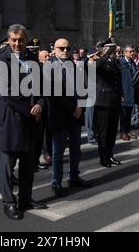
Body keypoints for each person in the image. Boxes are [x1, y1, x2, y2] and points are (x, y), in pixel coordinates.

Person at [0, 24, 47, 220]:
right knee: (7, 166)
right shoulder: (1, 60)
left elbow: (42, 87)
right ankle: (9, 203)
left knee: (28, 165)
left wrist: (40, 104)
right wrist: (30, 110)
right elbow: (6, 93)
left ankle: (25, 198)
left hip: (31, 121)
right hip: (11, 120)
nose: (17, 44)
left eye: (21, 40)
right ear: (8, 40)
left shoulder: (32, 59)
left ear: (26, 40)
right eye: (13, 40)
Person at [47, 38, 92, 197]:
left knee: (76, 149)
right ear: (54, 49)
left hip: (76, 114)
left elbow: (83, 87)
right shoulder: (48, 66)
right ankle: (56, 182)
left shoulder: (74, 65)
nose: (65, 51)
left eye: (68, 48)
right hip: (60, 115)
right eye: (62, 48)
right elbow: (53, 93)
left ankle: (74, 176)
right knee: (58, 152)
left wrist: (80, 106)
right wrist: (72, 108)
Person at [93, 40, 123, 167]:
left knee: (112, 131)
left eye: (115, 50)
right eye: (113, 50)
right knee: (104, 132)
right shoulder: (99, 61)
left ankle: (110, 155)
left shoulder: (115, 62)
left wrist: (122, 95)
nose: (116, 52)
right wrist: (104, 54)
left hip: (114, 101)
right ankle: (103, 158)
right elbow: (95, 67)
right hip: (103, 101)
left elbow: (118, 80)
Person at [120, 45, 137, 141]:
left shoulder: (132, 62)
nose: (132, 53)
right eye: (130, 51)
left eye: (133, 51)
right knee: (123, 114)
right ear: (125, 52)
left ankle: (127, 130)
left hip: (131, 91)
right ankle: (123, 133)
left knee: (129, 113)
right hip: (124, 91)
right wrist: (121, 94)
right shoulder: (121, 63)